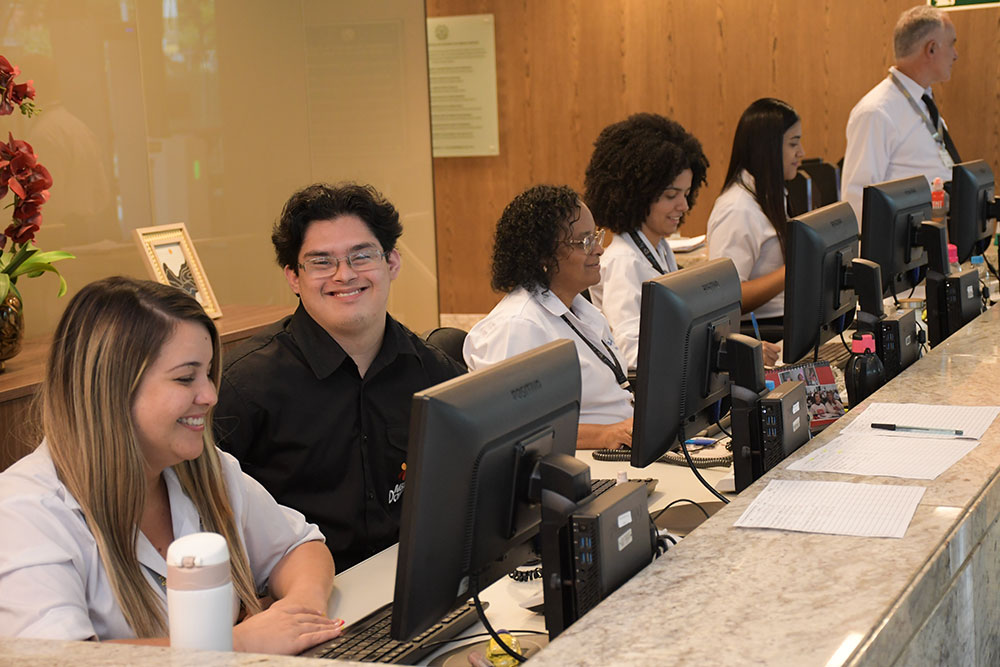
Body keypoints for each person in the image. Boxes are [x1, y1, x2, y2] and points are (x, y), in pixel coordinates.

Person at [0, 277, 341, 653]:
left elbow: (299, 547)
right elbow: (59, 661)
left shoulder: (204, 470)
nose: (211, 395)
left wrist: (299, 611)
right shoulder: (23, 513)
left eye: (208, 373)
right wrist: (239, 642)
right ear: (111, 388)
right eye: (185, 378)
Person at [213, 183, 464, 571]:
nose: (344, 275)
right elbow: (197, 511)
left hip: (413, 579)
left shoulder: (432, 371)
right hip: (298, 600)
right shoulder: (243, 386)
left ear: (392, 263)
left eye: (361, 256)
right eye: (320, 262)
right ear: (294, 277)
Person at [463, 184, 633, 450]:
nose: (599, 249)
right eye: (585, 242)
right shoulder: (516, 326)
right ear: (543, 254)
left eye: (596, 237)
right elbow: (510, 430)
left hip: (620, 451)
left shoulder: (583, 309)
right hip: (583, 463)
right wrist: (605, 434)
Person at [584, 113, 709, 370]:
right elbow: (631, 352)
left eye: (686, 194)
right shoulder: (623, 261)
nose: (683, 205)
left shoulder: (659, 247)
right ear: (637, 194)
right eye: (671, 195)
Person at [841, 5, 960, 223]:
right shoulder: (876, 112)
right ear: (931, 49)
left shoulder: (923, 102)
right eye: (952, 44)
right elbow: (857, 201)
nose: (956, 54)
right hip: (903, 248)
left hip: (937, 234)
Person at [706, 98, 804, 361]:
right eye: (793, 143)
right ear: (768, 148)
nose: (801, 152)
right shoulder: (737, 209)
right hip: (765, 333)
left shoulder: (770, 194)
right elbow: (726, 297)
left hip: (786, 323)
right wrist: (794, 269)